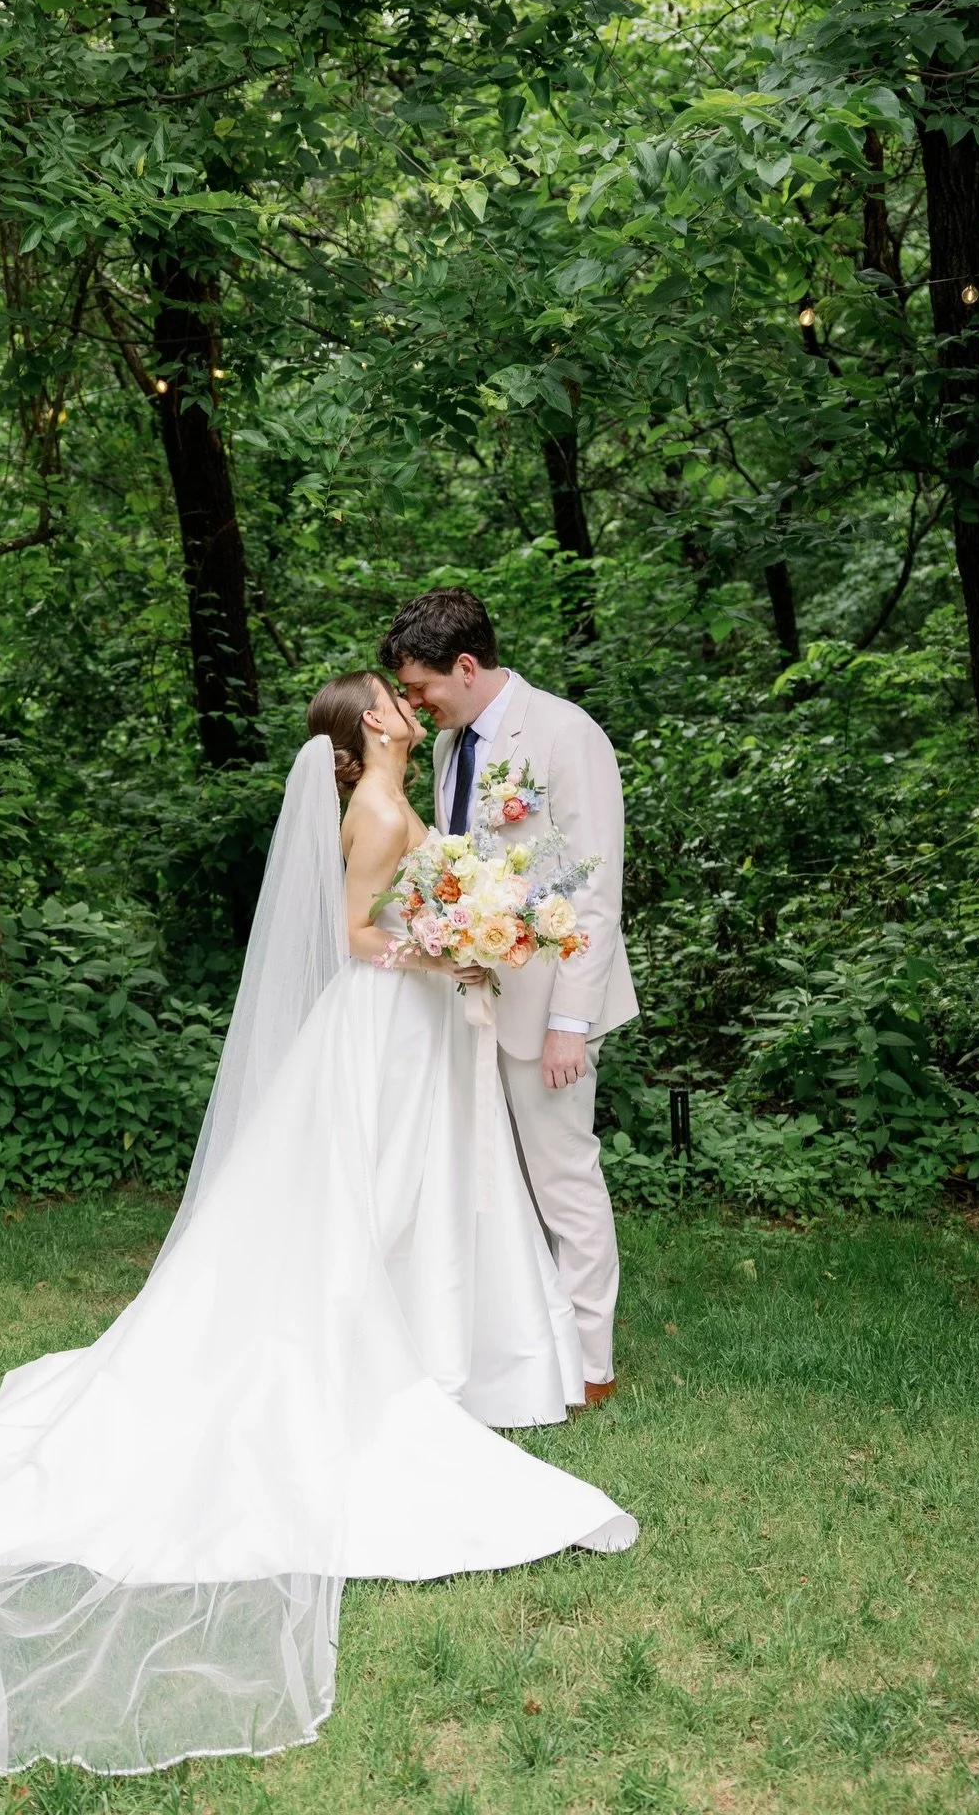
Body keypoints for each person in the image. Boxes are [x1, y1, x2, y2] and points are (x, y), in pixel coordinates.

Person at [0, 671, 636, 1778]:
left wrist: (454, 929)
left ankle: (442, 1346)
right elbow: (359, 935)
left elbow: (398, 912)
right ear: (371, 724)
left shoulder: (411, 788)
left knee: (421, 1196)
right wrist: (444, 937)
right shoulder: (372, 808)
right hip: (384, 1021)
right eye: (388, 698)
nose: (405, 704)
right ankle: (398, 1355)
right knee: (370, 1199)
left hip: (419, 1026)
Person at [379, 589, 639, 1403]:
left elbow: (595, 891)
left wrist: (571, 1022)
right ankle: (520, 1344)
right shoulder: (453, 746)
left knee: (562, 1175)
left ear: (466, 665)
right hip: (472, 995)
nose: (415, 703)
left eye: (422, 685)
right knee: (489, 1178)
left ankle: (591, 1361)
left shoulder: (565, 734)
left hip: (552, 1005)